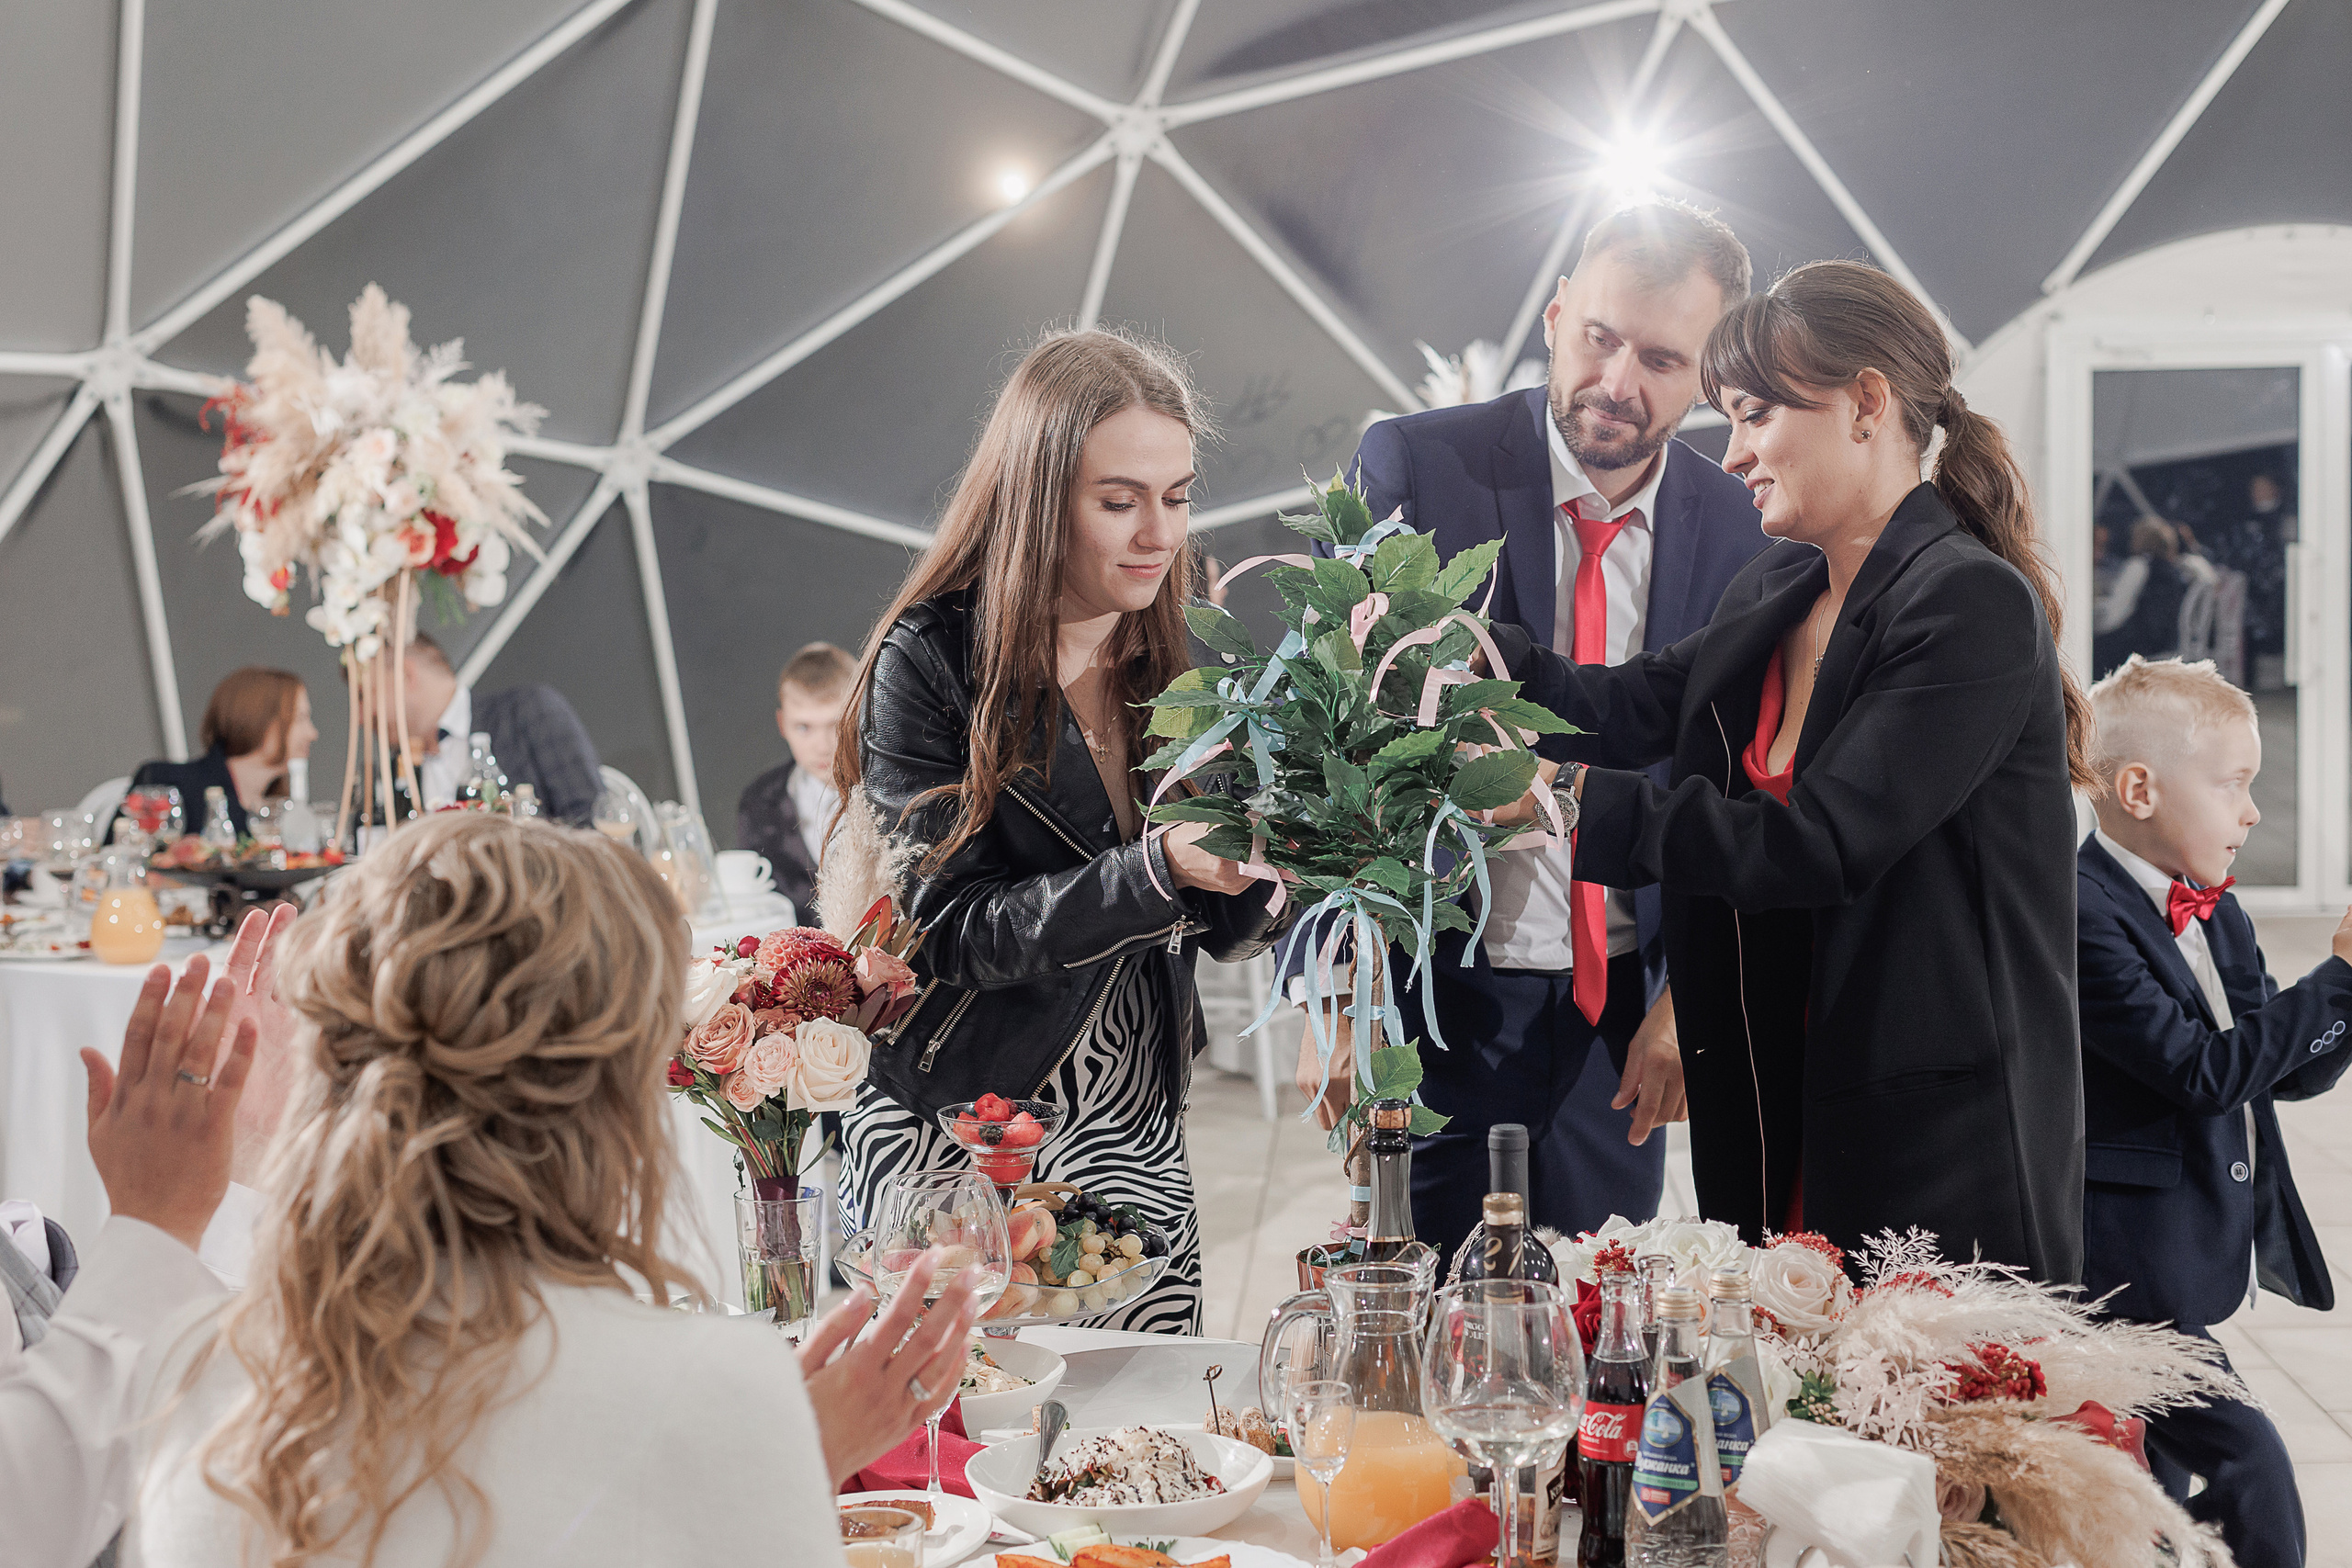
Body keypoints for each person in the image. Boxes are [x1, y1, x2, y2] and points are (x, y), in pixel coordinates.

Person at [94, 814, 976, 1568]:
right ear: (614, 1105)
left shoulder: (192, 1376)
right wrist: (778, 1457)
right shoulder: (722, 1392)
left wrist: (263, 1162)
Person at [1490, 259, 2091, 1282]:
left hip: (1930, 1133)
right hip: (1773, 1098)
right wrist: (1480, 663)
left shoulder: (1968, 607)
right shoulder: (1778, 583)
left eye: (1755, 415)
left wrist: (1552, 803)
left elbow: (1820, 841)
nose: (1730, 457)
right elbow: (1630, 703)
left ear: (1865, 403)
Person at [1286, 199, 1770, 1261]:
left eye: (1659, 357)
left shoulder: (1743, 523)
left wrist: (1695, 1001)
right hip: (1435, 993)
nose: (1617, 382)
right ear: (1554, 317)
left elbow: (1744, 780)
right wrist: (1341, 991)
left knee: (1605, 1332)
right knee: (1417, 1317)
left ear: (1707, 375)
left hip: (1625, 1012)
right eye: (1598, 337)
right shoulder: (1417, 466)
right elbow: (1331, 734)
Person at [829, 329, 1286, 1336]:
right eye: (1118, 501)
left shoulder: (1180, 648)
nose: (1156, 533)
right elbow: (945, 927)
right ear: (1039, 495)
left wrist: (1275, 872)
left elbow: (1219, 929)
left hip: (1133, 1115)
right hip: (966, 1116)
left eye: (1177, 495)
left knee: (1136, 1449)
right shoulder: (934, 657)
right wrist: (1156, 870)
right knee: (958, 1456)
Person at [2076, 656, 2352, 1568]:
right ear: (2139, 789)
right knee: (2252, 1468)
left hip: (2185, 1263)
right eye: (2233, 784)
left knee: (2150, 1498)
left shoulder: (2219, 914)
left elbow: (2279, 1073)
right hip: (2118, 1280)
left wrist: (2340, 1008)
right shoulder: (2081, 914)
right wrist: (2340, 976)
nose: (2251, 812)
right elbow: (2200, 1073)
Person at [396, 634, 603, 825]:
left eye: (363, 694)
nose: (362, 717)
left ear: (407, 674)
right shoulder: (396, 768)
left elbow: (589, 821)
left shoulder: (529, 712)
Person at [115, 667, 318, 841]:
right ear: (259, 721)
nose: (313, 734)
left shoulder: (279, 811)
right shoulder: (165, 783)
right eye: (300, 719)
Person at [736, 641, 855, 915]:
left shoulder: (898, 790)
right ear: (782, 724)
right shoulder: (759, 803)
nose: (823, 745)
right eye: (804, 727)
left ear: (860, 714)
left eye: (836, 725)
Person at [2092, 515, 2188, 677]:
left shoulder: (2138, 566)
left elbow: (2113, 614)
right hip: (2166, 643)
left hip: (2136, 645)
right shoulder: (2175, 571)